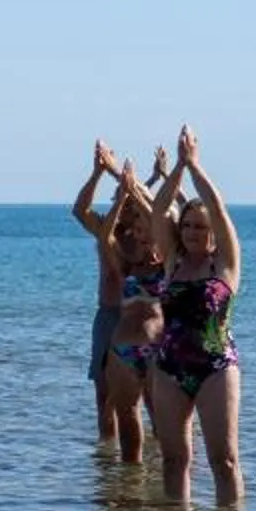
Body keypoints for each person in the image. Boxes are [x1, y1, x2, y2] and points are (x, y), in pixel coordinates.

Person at [147, 126, 243, 504]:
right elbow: (158, 210)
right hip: (169, 367)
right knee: (174, 460)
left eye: (200, 227)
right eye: (186, 225)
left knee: (225, 461)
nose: (191, 232)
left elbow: (217, 210)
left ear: (213, 234)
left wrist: (195, 167)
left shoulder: (225, 266)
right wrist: (177, 170)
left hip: (216, 366)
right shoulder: (172, 262)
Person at [71, 142, 167, 465]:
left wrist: (146, 180)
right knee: (104, 393)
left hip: (146, 323)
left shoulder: (149, 238)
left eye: (129, 203)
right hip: (110, 316)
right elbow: (79, 210)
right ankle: (107, 454)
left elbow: (155, 210)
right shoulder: (108, 231)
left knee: (153, 399)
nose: (124, 206)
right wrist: (100, 173)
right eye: (120, 200)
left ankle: (157, 450)